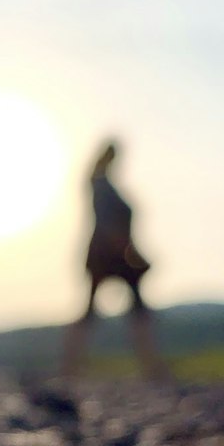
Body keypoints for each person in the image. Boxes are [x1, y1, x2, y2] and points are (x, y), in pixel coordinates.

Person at [62, 139, 167, 380]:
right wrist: (130, 253)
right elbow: (109, 224)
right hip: (110, 257)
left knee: (130, 309)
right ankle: (71, 366)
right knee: (120, 310)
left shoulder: (103, 184)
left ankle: (72, 366)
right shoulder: (100, 185)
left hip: (114, 255)